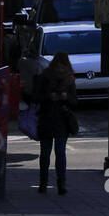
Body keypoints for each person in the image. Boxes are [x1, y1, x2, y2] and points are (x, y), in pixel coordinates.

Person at [34, 51, 78, 194]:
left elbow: (75, 102)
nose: (60, 70)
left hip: (61, 119)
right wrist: (49, 97)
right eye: (58, 66)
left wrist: (66, 97)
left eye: (62, 67)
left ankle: (60, 183)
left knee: (59, 153)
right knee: (46, 153)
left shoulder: (69, 79)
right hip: (48, 118)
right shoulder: (45, 77)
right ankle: (44, 182)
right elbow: (36, 97)